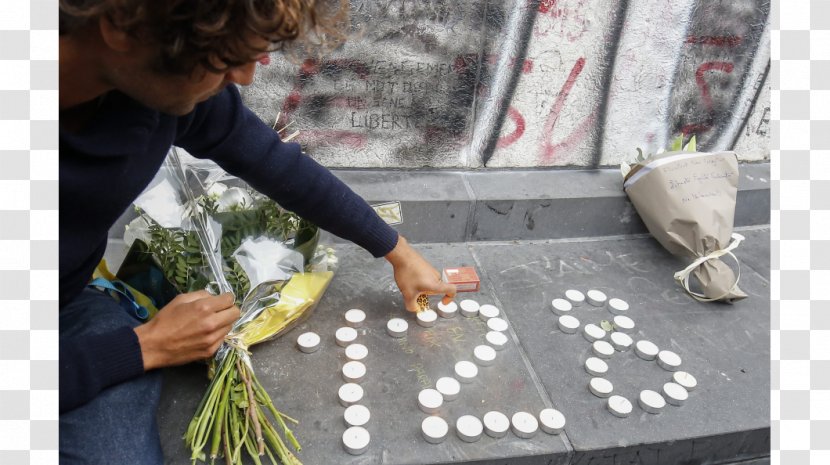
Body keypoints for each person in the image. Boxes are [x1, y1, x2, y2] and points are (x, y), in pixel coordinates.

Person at [58, 1, 456, 463]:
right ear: (120, 25)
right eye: (226, 58)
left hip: (71, 307)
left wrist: (396, 250)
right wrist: (143, 347)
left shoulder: (160, 88)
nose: (245, 78)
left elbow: (273, 162)